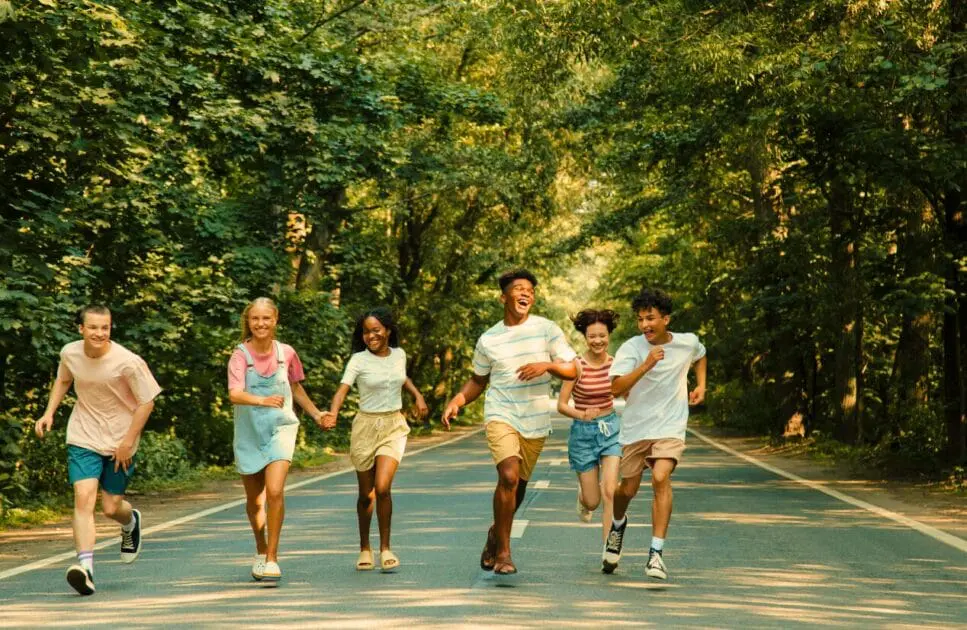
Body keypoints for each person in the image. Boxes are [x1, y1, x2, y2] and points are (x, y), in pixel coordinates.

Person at [442, 269, 577, 576]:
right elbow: (478, 380)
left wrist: (548, 365)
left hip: (535, 418)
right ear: (504, 297)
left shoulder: (547, 329)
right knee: (508, 476)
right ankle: (504, 553)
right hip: (501, 413)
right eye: (518, 289)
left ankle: (494, 535)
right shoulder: (489, 339)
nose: (525, 293)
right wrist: (457, 400)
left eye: (529, 290)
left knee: (519, 488)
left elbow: (573, 370)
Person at [34, 305, 162, 596]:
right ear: (81, 329)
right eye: (93, 327)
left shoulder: (127, 361)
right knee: (83, 497)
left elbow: (147, 402)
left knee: (110, 507)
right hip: (83, 435)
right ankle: (86, 568)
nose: (100, 333)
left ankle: (130, 521)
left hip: (120, 440)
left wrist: (129, 440)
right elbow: (64, 379)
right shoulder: (70, 353)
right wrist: (49, 413)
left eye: (105, 327)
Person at [603, 288, 706, 580]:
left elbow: (701, 355)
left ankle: (656, 554)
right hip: (637, 427)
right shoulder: (632, 349)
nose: (644, 325)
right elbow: (615, 388)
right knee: (628, 490)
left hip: (670, 426)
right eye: (640, 319)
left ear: (666, 319)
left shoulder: (687, 343)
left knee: (661, 476)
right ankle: (618, 524)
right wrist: (646, 364)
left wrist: (701, 385)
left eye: (650, 318)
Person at [322, 307, 428, 573]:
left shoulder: (399, 354)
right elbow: (342, 391)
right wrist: (332, 414)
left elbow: (402, 378)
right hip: (365, 427)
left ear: (388, 331)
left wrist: (418, 396)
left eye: (376, 330)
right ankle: (364, 548)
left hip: (393, 425)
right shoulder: (358, 360)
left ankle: (386, 549)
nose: (371, 336)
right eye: (366, 332)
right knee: (365, 495)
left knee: (382, 488)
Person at [228, 297, 326, 583]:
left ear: (275, 320)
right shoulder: (240, 355)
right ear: (248, 321)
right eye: (255, 319)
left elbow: (295, 388)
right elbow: (234, 394)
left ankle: (272, 557)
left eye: (266, 319)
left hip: (281, 428)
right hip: (248, 432)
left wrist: (317, 414)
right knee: (254, 501)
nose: (260, 324)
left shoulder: (287, 353)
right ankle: (260, 548)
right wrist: (262, 399)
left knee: (275, 491)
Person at [556, 309, 621, 548]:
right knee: (593, 501)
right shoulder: (576, 367)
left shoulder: (616, 365)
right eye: (592, 336)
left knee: (610, 492)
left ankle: (609, 548)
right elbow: (561, 405)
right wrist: (582, 414)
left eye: (602, 335)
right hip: (583, 434)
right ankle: (583, 497)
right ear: (585, 337)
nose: (597, 341)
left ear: (609, 335)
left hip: (611, 430)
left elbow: (628, 392)